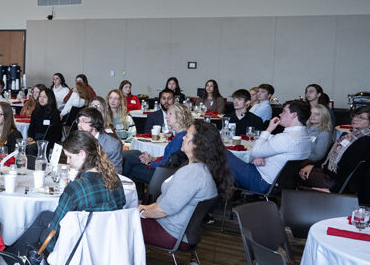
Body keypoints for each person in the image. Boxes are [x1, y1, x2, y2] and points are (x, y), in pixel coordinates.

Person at [7, 131, 125, 255]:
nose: (68, 161)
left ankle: (12, 258)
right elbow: (120, 207)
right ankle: (12, 254)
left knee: (47, 228)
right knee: (44, 216)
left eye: (70, 157)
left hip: (77, 244)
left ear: (82, 154)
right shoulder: (114, 179)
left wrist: (45, 242)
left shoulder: (76, 189)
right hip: (107, 240)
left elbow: (54, 234)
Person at [138, 121, 232, 249]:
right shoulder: (203, 169)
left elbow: (163, 210)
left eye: (187, 136)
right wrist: (142, 208)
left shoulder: (192, 173)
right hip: (182, 231)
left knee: (118, 223)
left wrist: (139, 211)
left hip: (169, 232)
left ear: (197, 144)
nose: (183, 137)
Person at [226, 100, 311, 193]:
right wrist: (260, 155)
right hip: (280, 184)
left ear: (294, 115)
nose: (280, 114)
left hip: (261, 182)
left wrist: (268, 129)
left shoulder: (285, 138)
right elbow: (274, 149)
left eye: (284, 111)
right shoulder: (305, 137)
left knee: (221, 152)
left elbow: (255, 152)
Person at [299, 105, 370, 191]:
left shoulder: (364, 141)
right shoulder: (352, 136)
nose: (355, 119)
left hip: (334, 181)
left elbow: (351, 170)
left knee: (296, 172)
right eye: (355, 115)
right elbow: (328, 158)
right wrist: (312, 165)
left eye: (361, 118)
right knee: (300, 168)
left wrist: (333, 190)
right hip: (329, 172)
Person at [123, 103, 194, 184]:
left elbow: (168, 163)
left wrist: (150, 162)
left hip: (163, 174)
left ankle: (124, 189)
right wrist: (153, 158)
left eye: (170, 114)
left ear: (180, 116)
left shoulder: (180, 138)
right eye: (167, 114)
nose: (166, 117)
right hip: (165, 171)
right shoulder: (182, 135)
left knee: (131, 163)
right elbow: (169, 158)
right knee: (133, 159)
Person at [77, 107, 123, 173]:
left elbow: (116, 172)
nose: (79, 125)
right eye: (78, 121)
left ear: (94, 124)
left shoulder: (112, 144)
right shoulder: (77, 140)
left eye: (83, 121)